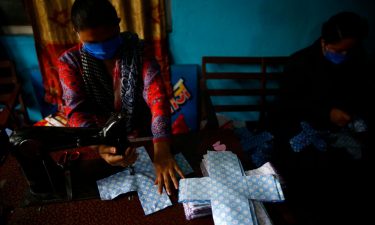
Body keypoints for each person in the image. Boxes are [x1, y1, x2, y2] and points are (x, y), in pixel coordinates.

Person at [58, 0, 184, 195]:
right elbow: (76, 111)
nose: (102, 47)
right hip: (97, 138)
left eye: (109, 38)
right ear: (76, 32)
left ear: (118, 24)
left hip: (142, 134)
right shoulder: (70, 63)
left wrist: (161, 149)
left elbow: (157, 97)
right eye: (92, 42)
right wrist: (99, 146)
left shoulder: (139, 52)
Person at [268, 11, 373, 224]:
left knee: (355, 160)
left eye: (348, 51)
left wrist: (349, 114)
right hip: (301, 125)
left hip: (340, 127)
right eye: (338, 51)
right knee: (308, 161)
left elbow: (361, 94)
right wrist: (326, 113)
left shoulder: (356, 60)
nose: (343, 56)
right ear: (325, 42)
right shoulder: (300, 63)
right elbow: (288, 105)